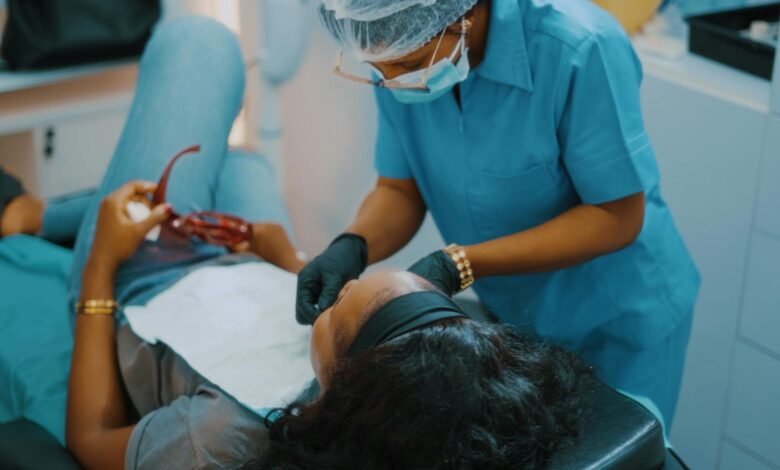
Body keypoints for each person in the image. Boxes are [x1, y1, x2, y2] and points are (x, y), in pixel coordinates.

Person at [0, 16, 592, 469]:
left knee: (199, 42)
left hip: (146, 286)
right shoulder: (394, 385)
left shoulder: (221, 436)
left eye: (340, 304)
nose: (341, 286)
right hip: (245, 266)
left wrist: (102, 264)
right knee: (242, 163)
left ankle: (37, 217)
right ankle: (60, 214)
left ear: (334, 393)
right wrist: (285, 257)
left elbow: (88, 439)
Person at [297, 0, 701, 427]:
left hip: (616, 314)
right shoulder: (397, 49)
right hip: (513, 318)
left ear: (463, 14)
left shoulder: (579, 47)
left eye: (412, 63)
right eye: (382, 72)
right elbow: (400, 189)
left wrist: (458, 264)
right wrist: (353, 245)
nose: (398, 84)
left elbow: (616, 216)